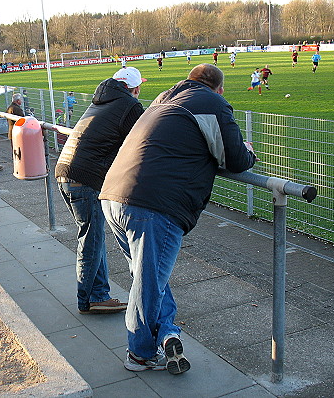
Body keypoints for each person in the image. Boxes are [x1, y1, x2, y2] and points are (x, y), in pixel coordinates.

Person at [99, 64, 256, 375]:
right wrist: (249, 151)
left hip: (114, 195)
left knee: (149, 278)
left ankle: (166, 332)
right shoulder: (212, 103)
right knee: (148, 283)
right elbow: (235, 159)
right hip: (154, 205)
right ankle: (140, 354)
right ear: (219, 89)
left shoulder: (163, 98)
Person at [55, 66, 145, 315]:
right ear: (135, 88)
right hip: (84, 179)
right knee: (91, 240)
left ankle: (98, 295)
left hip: (67, 172)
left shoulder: (101, 100)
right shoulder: (129, 106)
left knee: (93, 237)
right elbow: (145, 139)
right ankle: (87, 300)